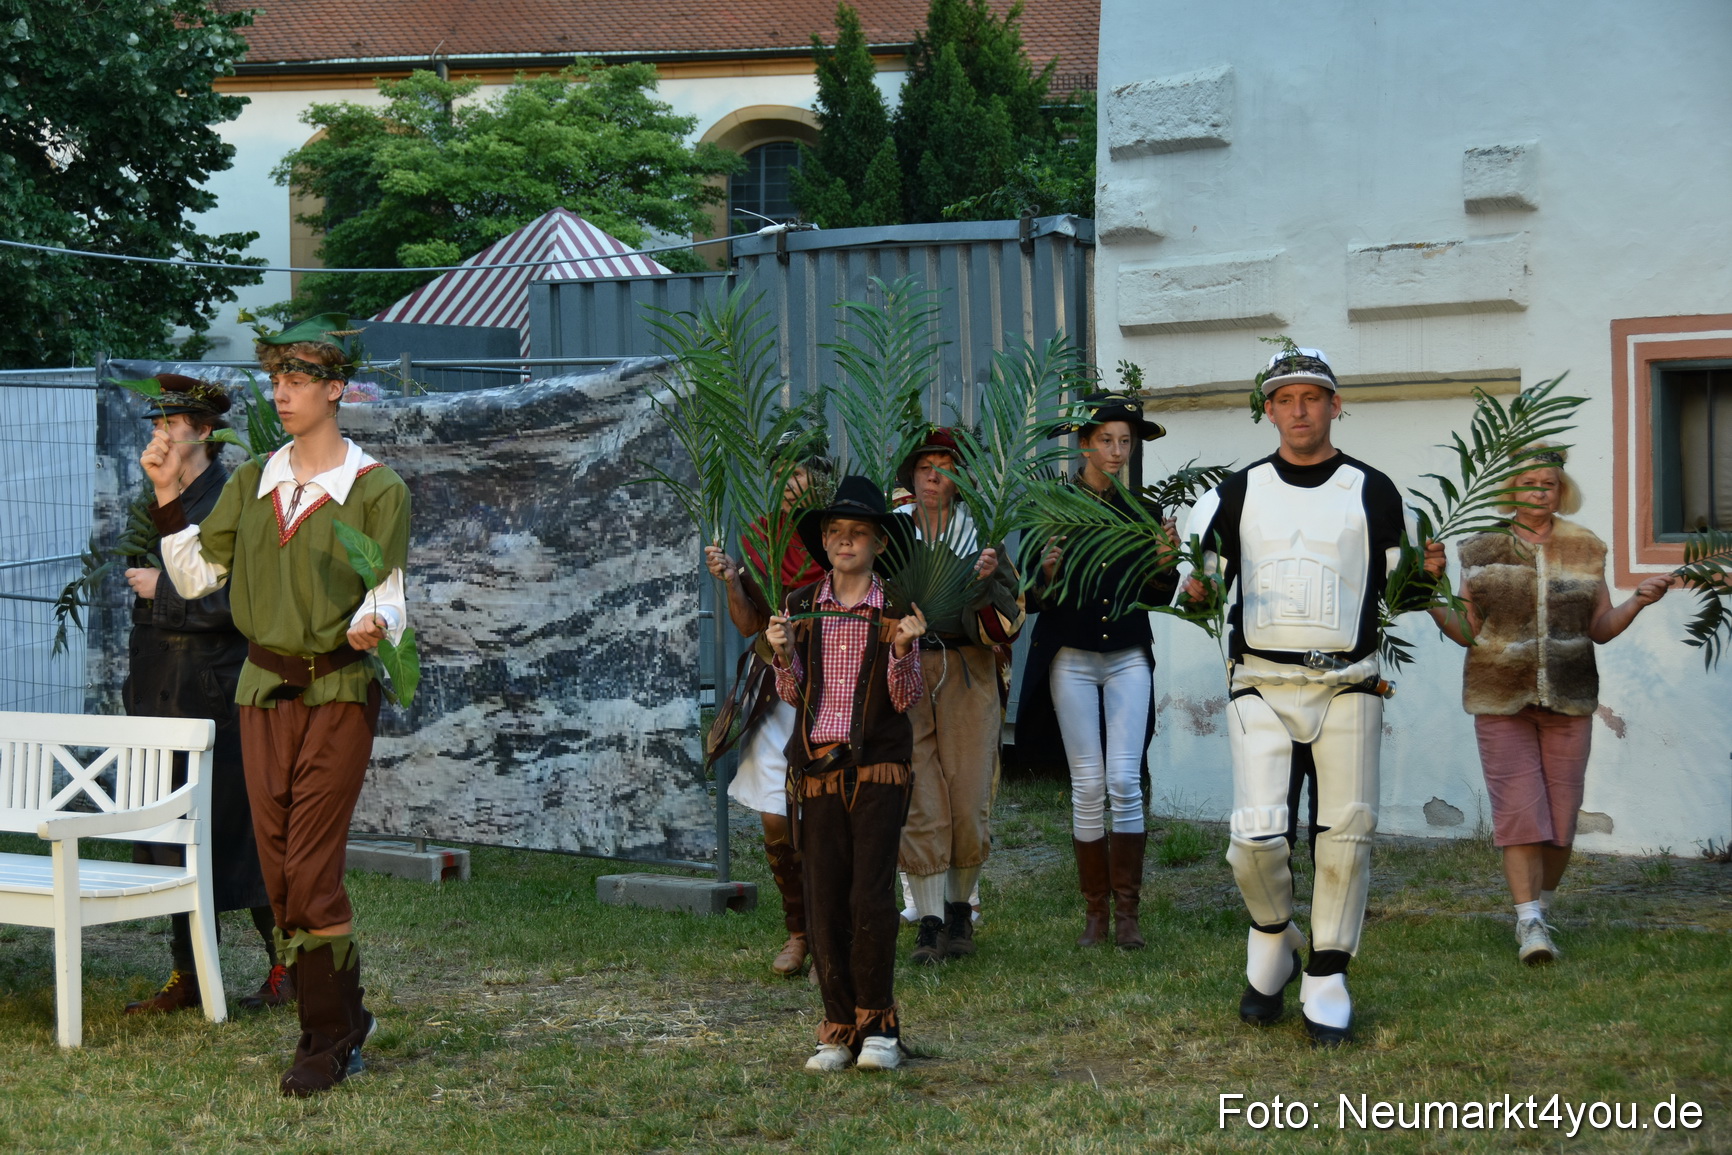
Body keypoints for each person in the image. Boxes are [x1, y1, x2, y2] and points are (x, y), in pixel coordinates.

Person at [142, 318, 410, 1095]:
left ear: (336, 390)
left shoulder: (377, 490)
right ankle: (351, 1016)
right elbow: (196, 576)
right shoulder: (255, 480)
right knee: (283, 879)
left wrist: (374, 622)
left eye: (297, 381)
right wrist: (166, 495)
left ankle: (323, 1043)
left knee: (312, 874)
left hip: (339, 693)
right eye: (275, 381)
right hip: (261, 693)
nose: (281, 394)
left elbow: (390, 596)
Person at [1178, 347, 1444, 1046]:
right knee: (1254, 837)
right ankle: (1273, 935)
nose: (1299, 411)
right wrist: (1193, 585)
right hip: (1260, 682)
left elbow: (1405, 592)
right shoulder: (1235, 493)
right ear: (1268, 410)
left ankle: (1327, 975)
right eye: (1285, 399)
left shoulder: (1373, 490)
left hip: (1348, 682)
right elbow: (1195, 585)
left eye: (1312, 397)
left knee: (1346, 835)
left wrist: (1428, 574)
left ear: (1335, 405)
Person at [1428, 446, 1672, 965]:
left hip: (1570, 700)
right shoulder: (1482, 548)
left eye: (1550, 483)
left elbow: (1600, 628)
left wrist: (1637, 602)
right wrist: (1430, 593)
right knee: (1521, 813)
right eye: (1530, 482)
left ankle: (1542, 908)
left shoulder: (1585, 547)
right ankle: (1529, 922)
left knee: (1560, 823)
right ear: (1511, 490)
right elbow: (1466, 631)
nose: (1540, 491)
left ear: (1562, 492)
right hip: (1501, 700)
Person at [120, 375, 285, 1015]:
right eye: (156, 424)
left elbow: (241, 604)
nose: (160, 436)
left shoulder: (235, 497)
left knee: (241, 834)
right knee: (170, 836)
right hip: (160, 690)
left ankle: (287, 969)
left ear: (205, 432)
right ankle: (189, 973)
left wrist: (162, 589)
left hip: (218, 697)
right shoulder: (157, 497)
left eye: (173, 425)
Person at [766, 476, 925, 1072]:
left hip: (878, 767)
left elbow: (904, 698)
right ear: (825, 542)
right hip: (817, 769)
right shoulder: (801, 603)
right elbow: (791, 692)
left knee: (870, 896)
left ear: (879, 542)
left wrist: (904, 650)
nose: (845, 541)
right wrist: (783, 655)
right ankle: (836, 1030)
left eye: (858, 532)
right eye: (836, 532)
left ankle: (878, 1027)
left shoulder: (896, 606)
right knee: (824, 896)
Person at [1018, 393, 1176, 949]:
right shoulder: (1052, 507)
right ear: (1084, 444)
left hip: (1129, 653)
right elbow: (1030, 597)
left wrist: (1165, 565)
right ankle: (1095, 913)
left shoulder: (1145, 512)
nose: (1116, 450)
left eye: (1125, 441)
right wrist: (1046, 572)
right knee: (1087, 784)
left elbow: (1159, 593)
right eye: (1106, 440)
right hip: (1071, 657)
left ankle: (1128, 912)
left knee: (1125, 780)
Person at [892, 429, 1023, 965]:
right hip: (906, 668)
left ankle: (959, 911)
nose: (933, 474)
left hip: (968, 668)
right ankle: (928, 922)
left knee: (968, 796)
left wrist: (988, 581)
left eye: (945, 465)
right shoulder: (891, 534)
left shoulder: (982, 537)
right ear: (912, 473)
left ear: (959, 479)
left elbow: (1012, 617)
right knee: (920, 795)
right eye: (925, 464)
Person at [704, 433, 832, 976]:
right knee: (776, 818)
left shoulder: (838, 536)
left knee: (826, 817)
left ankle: (831, 934)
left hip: (830, 686)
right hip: (773, 685)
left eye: (799, 472)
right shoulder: (759, 536)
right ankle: (798, 931)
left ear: (820, 477)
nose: (789, 483)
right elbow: (749, 624)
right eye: (781, 473)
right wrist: (732, 581)